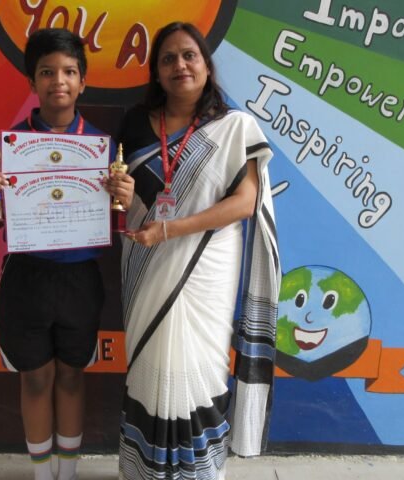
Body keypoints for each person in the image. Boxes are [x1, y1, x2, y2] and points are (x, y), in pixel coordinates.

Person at [0, 28, 133, 480]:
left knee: (73, 374)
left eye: (69, 71)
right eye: (47, 72)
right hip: (27, 278)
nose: (59, 80)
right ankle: (43, 475)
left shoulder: (102, 148)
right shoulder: (10, 148)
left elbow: (121, 218)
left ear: (82, 81)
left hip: (80, 279)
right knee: (35, 377)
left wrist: (125, 196)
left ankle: (68, 472)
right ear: (32, 82)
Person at [116, 22, 281, 479]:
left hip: (207, 268)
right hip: (146, 264)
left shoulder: (235, 127)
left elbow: (244, 203)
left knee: (201, 368)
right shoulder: (135, 123)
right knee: (150, 364)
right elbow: (128, 200)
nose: (180, 66)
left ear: (206, 65)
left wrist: (170, 230)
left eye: (189, 55)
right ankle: (146, 471)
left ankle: (199, 472)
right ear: (156, 71)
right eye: (168, 58)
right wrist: (120, 193)